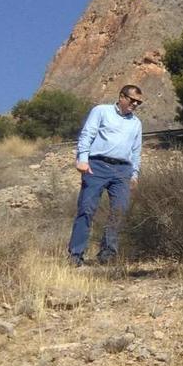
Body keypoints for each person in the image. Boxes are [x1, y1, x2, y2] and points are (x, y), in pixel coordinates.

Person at [68, 85, 144, 266]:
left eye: (138, 102)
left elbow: (136, 150)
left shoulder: (136, 123)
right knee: (86, 209)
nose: (135, 104)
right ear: (121, 96)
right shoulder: (101, 111)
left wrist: (134, 174)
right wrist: (83, 159)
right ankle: (76, 255)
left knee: (119, 211)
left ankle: (107, 254)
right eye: (132, 100)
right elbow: (87, 134)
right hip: (97, 165)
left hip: (122, 170)